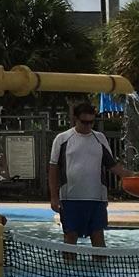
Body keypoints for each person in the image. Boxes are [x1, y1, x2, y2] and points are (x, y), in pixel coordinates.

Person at [47, 103, 116, 251]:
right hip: (70, 199)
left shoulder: (100, 138)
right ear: (75, 119)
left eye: (91, 122)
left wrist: (132, 175)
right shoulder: (62, 139)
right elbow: (53, 169)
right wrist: (53, 197)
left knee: (98, 238)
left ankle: (100, 265)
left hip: (97, 199)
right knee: (70, 238)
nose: (88, 126)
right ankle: (68, 266)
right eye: (84, 122)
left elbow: (112, 165)